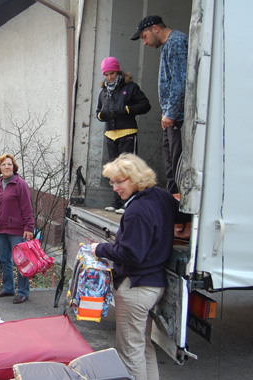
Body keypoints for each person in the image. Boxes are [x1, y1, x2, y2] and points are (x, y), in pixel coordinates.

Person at [91, 153, 189, 380]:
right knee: (143, 346)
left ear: (135, 179)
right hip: (154, 285)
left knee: (130, 352)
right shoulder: (162, 197)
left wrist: (100, 249)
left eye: (119, 181)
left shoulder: (137, 210)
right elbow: (185, 214)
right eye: (112, 182)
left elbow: (131, 254)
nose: (115, 187)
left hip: (135, 288)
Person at [131, 15, 188, 194]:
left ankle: (181, 215)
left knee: (177, 164)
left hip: (177, 117)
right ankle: (173, 205)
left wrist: (171, 112)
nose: (145, 43)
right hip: (170, 116)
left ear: (155, 28)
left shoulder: (176, 42)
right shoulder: (167, 46)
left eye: (144, 37)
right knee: (170, 162)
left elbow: (180, 81)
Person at [96, 56, 151, 213]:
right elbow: (98, 112)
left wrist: (127, 109)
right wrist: (102, 115)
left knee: (129, 169)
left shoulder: (131, 87)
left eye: (112, 73)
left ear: (118, 72)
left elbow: (145, 105)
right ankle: (117, 202)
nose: (109, 77)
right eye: (106, 74)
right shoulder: (103, 92)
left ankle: (130, 202)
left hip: (127, 132)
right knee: (114, 171)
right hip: (110, 134)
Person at [0, 154, 34, 304]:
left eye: (9, 164)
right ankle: (8, 288)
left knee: (20, 261)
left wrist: (29, 227)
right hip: (1, 229)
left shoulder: (20, 184)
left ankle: (23, 292)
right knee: (4, 260)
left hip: (17, 230)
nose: (7, 167)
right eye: (3, 164)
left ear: (14, 167)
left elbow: (27, 207)